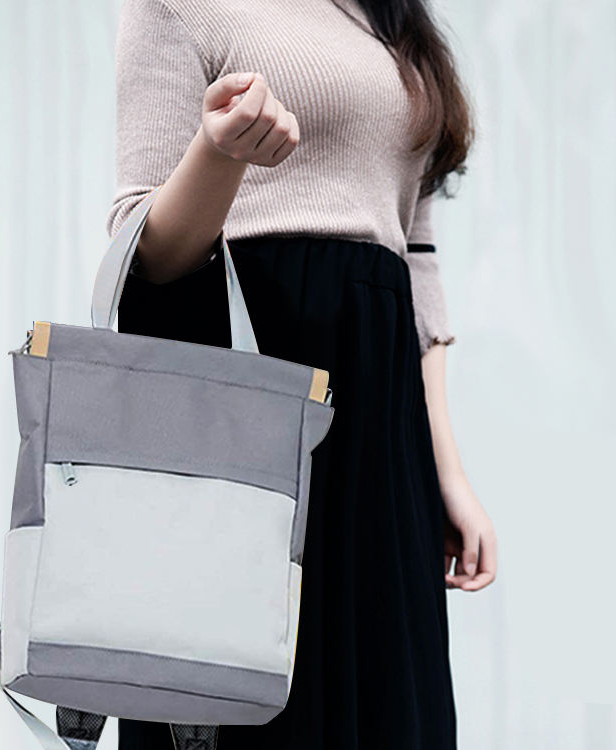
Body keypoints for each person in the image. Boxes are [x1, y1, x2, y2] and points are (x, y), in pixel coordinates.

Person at [102, 0, 498, 748]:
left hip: (380, 423)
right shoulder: (175, 6)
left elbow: (414, 253)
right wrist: (220, 154)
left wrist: (445, 468)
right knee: (253, 703)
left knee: (387, 703)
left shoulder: (385, 14)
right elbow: (144, 255)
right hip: (245, 397)